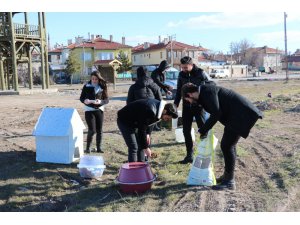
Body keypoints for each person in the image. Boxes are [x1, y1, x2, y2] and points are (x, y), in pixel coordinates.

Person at [181, 83, 263, 190]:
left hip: (242, 115)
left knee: (227, 146)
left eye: (188, 100)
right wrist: (204, 128)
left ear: (190, 94)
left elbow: (216, 113)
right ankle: (227, 176)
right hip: (237, 115)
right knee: (229, 145)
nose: (189, 102)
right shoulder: (204, 93)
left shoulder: (206, 91)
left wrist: (204, 129)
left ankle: (229, 182)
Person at [174, 56, 215, 164]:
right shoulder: (181, 74)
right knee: (186, 131)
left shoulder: (201, 73)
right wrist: (175, 104)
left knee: (203, 130)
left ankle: (204, 154)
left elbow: (211, 86)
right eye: (182, 67)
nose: (183, 69)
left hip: (199, 107)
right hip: (187, 107)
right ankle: (189, 155)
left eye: (186, 67)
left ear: (192, 65)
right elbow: (179, 90)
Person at [80, 71, 109, 153]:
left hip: (99, 110)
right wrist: (84, 101)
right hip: (89, 110)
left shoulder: (102, 86)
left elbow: (106, 100)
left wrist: (100, 102)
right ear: (91, 78)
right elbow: (81, 98)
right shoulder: (86, 86)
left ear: (99, 79)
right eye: (93, 79)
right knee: (92, 130)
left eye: (96, 79)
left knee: (99, 130)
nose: (94, 80)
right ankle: (87, 148)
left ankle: (99, 148)